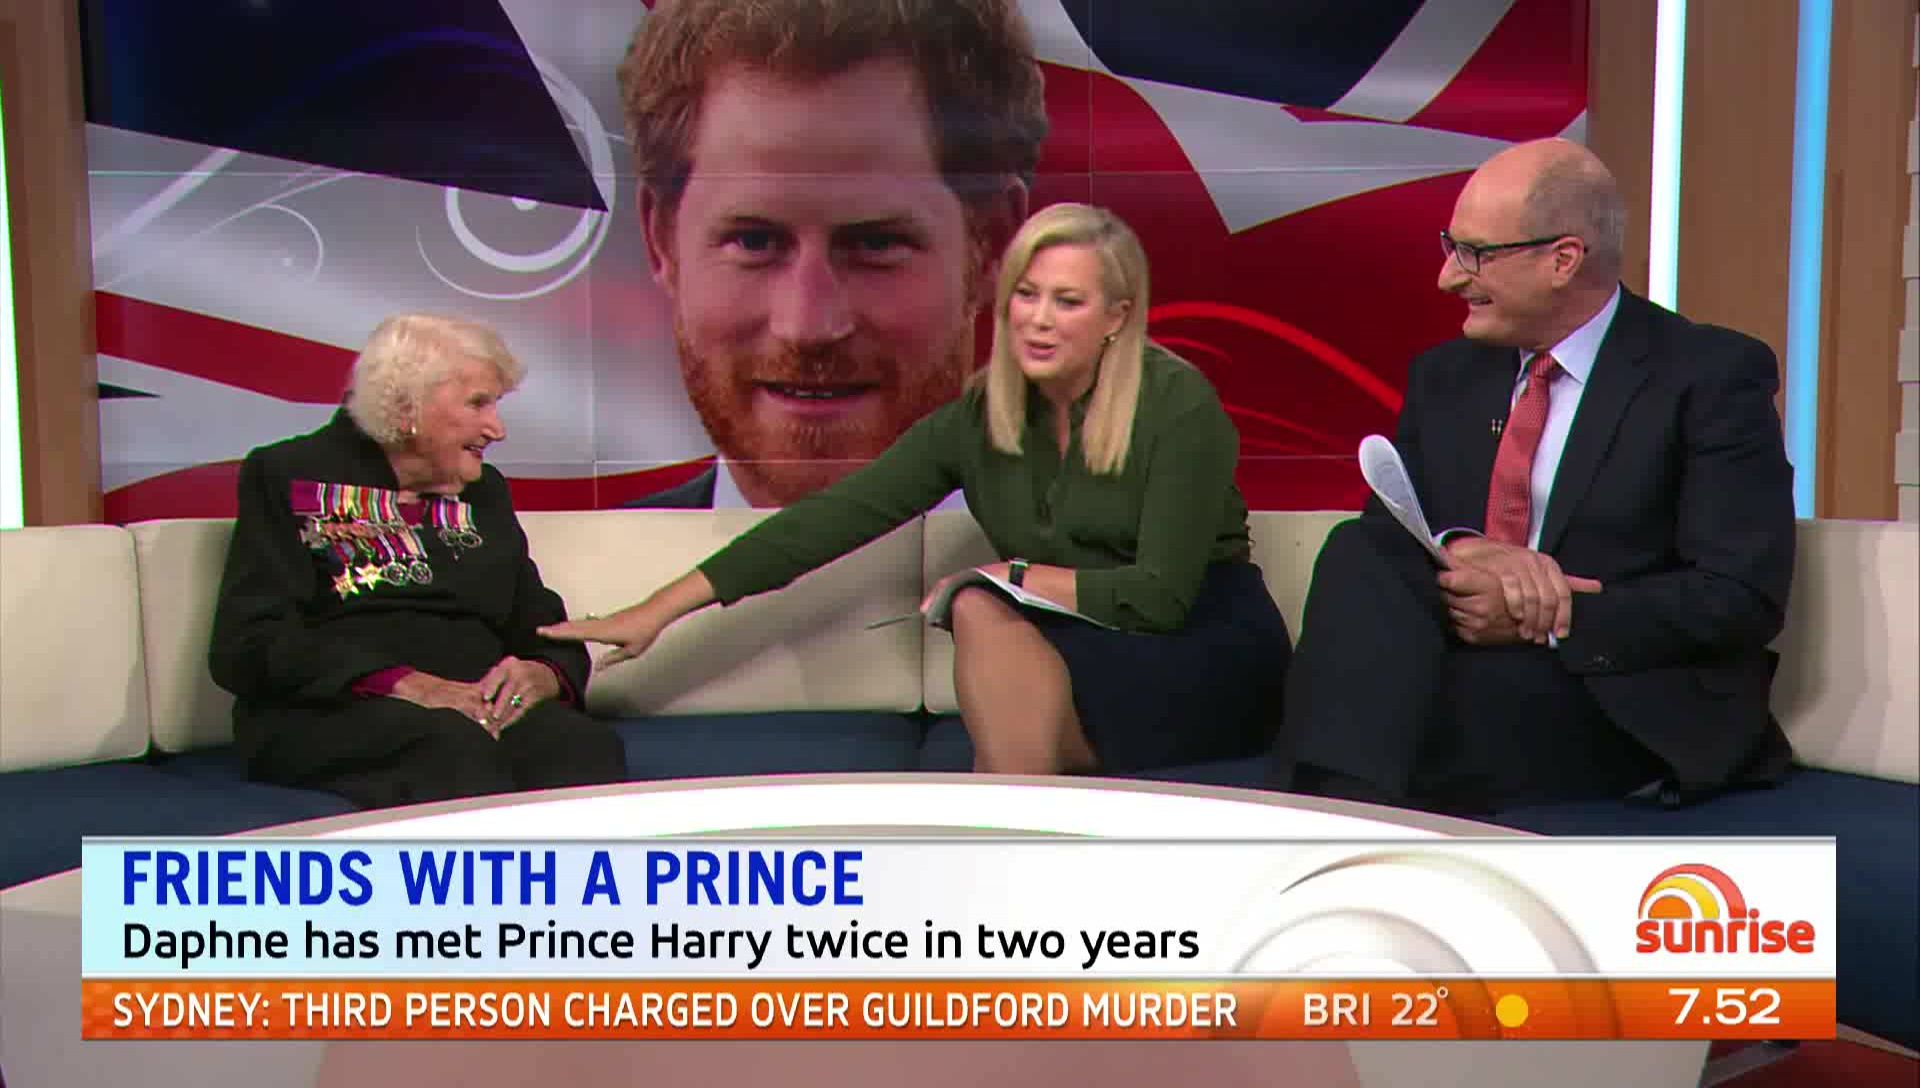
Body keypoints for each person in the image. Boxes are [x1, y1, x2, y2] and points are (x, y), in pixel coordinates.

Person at [545, 204, 1291, 774]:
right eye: (1026, 294)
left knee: (985, 605)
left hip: (1196, 648)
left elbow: (1160, 597)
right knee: (978, 611)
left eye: (1068, 301)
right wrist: (657, 610)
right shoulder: (981, 416)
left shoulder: (1175, 405)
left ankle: (1000, 855)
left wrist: (1016, 574)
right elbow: (833, 519)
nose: (1037, 320)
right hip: (1077, 648)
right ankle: (1011, 845)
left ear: (1116, 319)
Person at [1277, 138, 1796, 815]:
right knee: (1359, 548)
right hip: (1461, 648)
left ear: (1563, 260)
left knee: (1386, 713)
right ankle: (1351, 814)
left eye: (1475, 254)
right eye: (1452, 247)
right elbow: (1394, 537)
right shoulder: (1447, 375)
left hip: (1615, 680)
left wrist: (1547, 616)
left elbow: (1740, 596)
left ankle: (1339, 818)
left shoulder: (1709, 375)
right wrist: (1467, 548)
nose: (1448, 277)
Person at [617, 0, 1046, 508]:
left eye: (875, 244)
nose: (807, 326)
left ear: (993, 244)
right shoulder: (575, 562)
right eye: (754, 241)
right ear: (662, 239)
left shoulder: (1112, 553)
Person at [209, 315, 626, 807]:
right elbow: (250, 642)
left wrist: (542, 673)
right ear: (408, 406)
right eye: (478, 403)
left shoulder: (485, 493)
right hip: (332, 710)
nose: (497, 428)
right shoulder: (289, 474)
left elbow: (541, 624)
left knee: (582, 747)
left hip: (474, 708)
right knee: (451, 749)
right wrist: (408, 685)